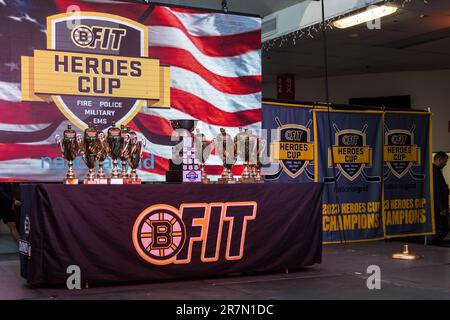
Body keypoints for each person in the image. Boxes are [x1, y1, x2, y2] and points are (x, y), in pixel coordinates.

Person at [428, 152, 450, 245]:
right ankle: (431, 244)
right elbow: (436, 191)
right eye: (445, 162)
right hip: (437, 208)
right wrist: (441, 208)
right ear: (439, 160)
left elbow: (440, 189)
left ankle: (433, 244)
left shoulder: (435, 170)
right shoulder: (435, 171)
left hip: (437, 207)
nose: (445, 164)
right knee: (443, 229)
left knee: (439, 229)